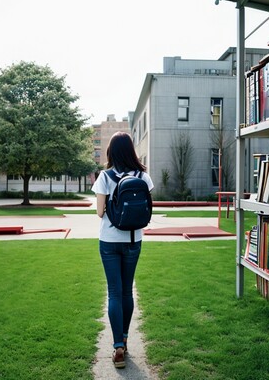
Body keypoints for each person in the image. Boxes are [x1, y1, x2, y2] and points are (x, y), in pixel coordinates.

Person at [92, 131, 154, 369]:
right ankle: (126, 339)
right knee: (127, 291)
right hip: (133, 239)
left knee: (114, 293)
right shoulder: (143, 176)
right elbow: (145, 208)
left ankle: (118, 346)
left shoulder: (105, 177)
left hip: (109, 240)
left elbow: (99, 213)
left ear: (111, 152)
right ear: (131, 150)